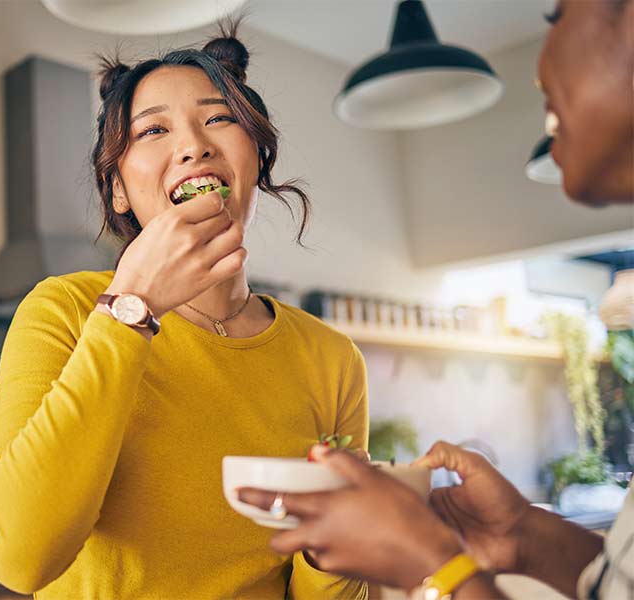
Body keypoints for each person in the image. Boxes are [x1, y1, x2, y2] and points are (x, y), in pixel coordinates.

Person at [239, 1, 634, 598]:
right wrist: (523, 533)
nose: (540, 66)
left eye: (557, 15)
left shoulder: (328, 353)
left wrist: (430, 561)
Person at [0, 24, 368, 600]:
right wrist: (130, 307)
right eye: (153, 129)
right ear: (117, 191)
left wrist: (333, 535)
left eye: (218, 119)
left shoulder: (332, 359)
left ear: (256, 157)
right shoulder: (62, 311)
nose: (193, 146)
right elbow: (20, 559)